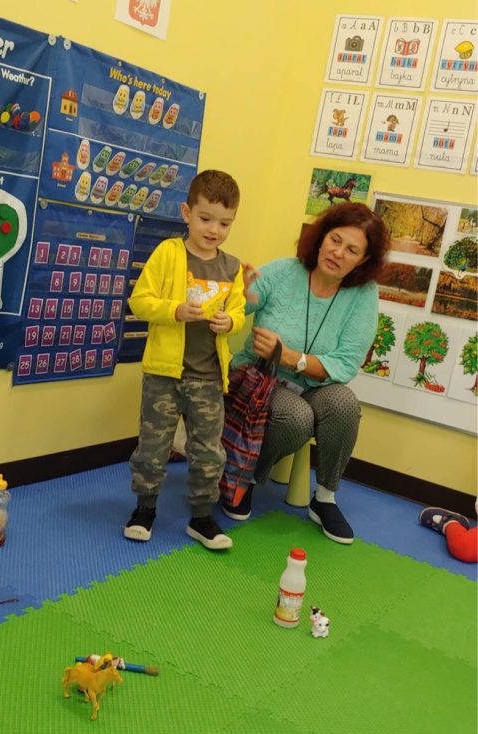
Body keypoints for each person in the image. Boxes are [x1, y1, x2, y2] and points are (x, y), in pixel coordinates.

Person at [222, 202, 389, 545]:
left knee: (344, 403)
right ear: (321, 237)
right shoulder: (284, 271)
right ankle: (245, 477)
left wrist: (291, 357)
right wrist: (239, 291)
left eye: (352, 250)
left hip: (315, 383)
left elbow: (346, 363)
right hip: (261, 376)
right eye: (335, 240)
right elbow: (238, 308)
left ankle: (325, 497)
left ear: (363, 261)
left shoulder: (363, 294)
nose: (338, 253)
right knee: (296, 417)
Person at [124, 170, 246, 550]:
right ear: (187, 213)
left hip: (208, 378)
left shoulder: (232, 267)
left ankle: (202, 517)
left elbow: (238, 311)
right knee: (153, 448)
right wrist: (175, 310)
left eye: (225, 223)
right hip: (164, 374)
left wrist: (231, 322)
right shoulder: (168, 253)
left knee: (209, 452)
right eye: (206, 219)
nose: (214, 230)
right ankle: (144, 509)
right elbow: (139, 301)